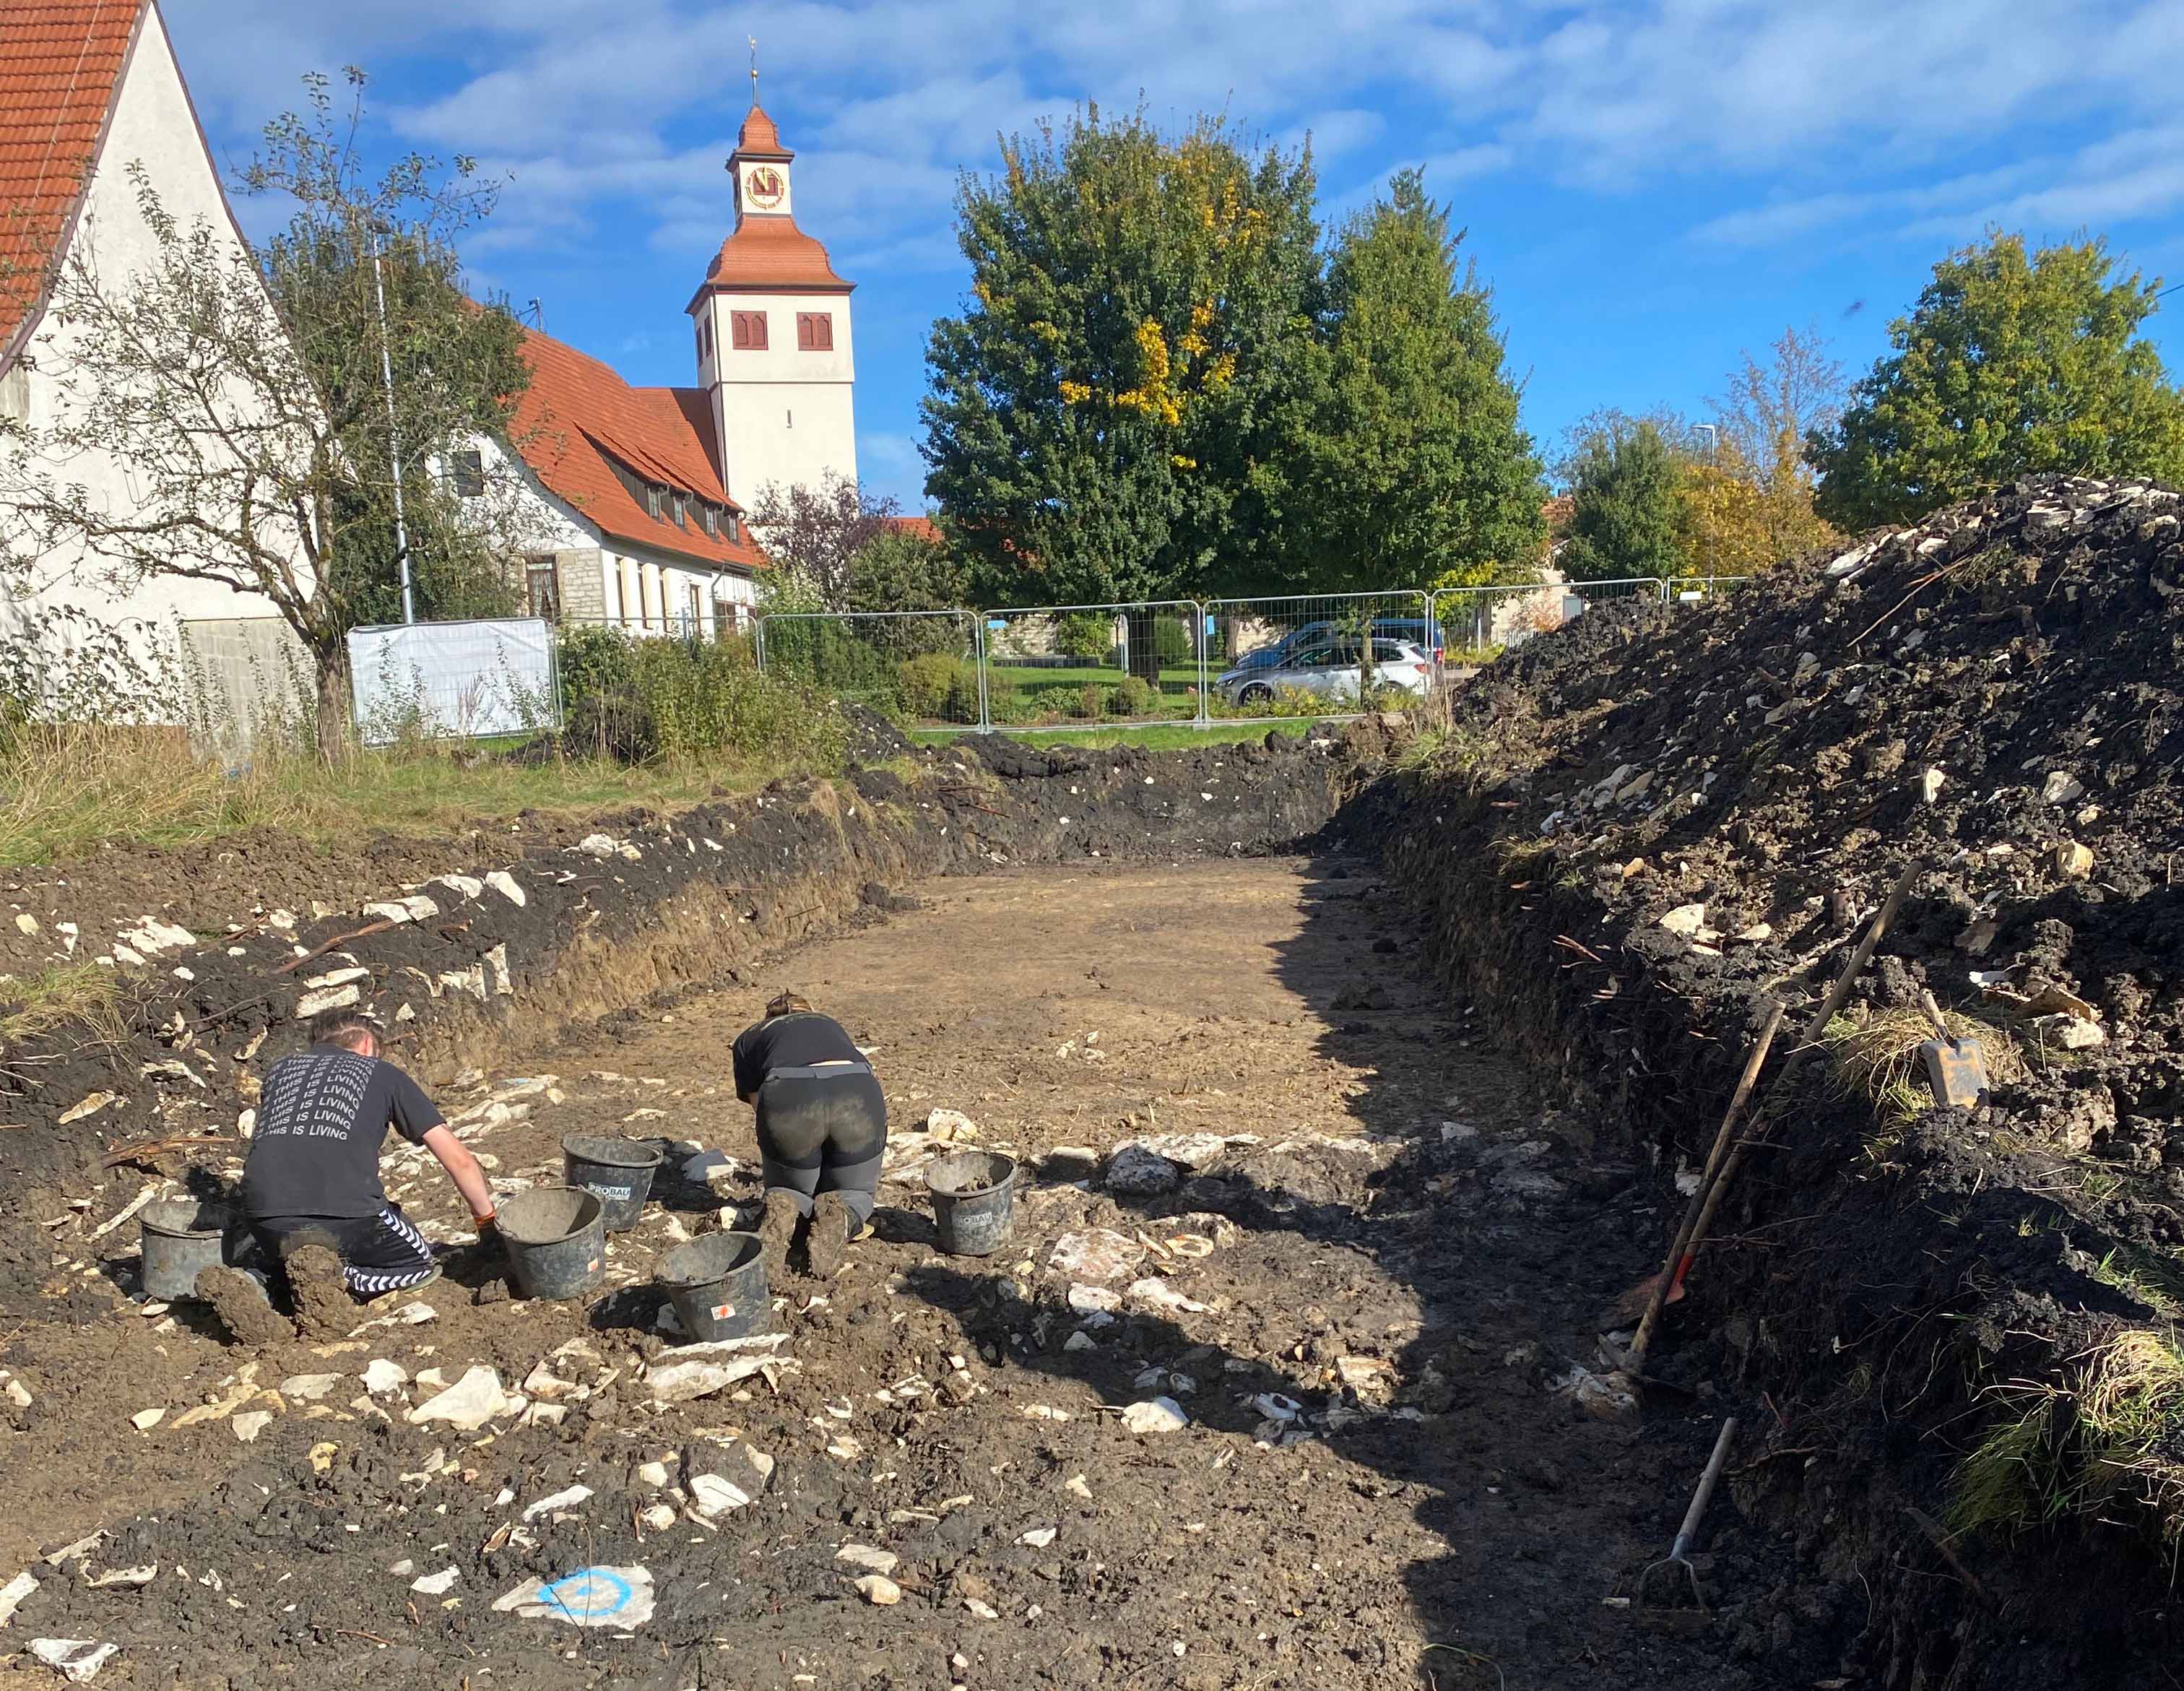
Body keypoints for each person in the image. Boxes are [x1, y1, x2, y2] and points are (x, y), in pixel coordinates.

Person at [228, 1005, 497, 1328]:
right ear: (368, 1045)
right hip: (349, 1216)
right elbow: (459, 1160)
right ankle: (337, 1276)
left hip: (265, 1218)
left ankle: (267, 1278)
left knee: (279, 1253)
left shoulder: (279, 1071)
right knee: (419, 1263)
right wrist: (487, 1223)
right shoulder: (383, 1074)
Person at [732, 991, 887, 1277]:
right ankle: (841, 1216)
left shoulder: (750, 1038)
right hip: (857, 1089)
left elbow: (761, 1107)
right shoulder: (829, 1023)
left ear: (769, 1018)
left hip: (788, 1095)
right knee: (855, 1192)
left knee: (790, 1191)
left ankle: (786, 1210)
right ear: (810, 1011)